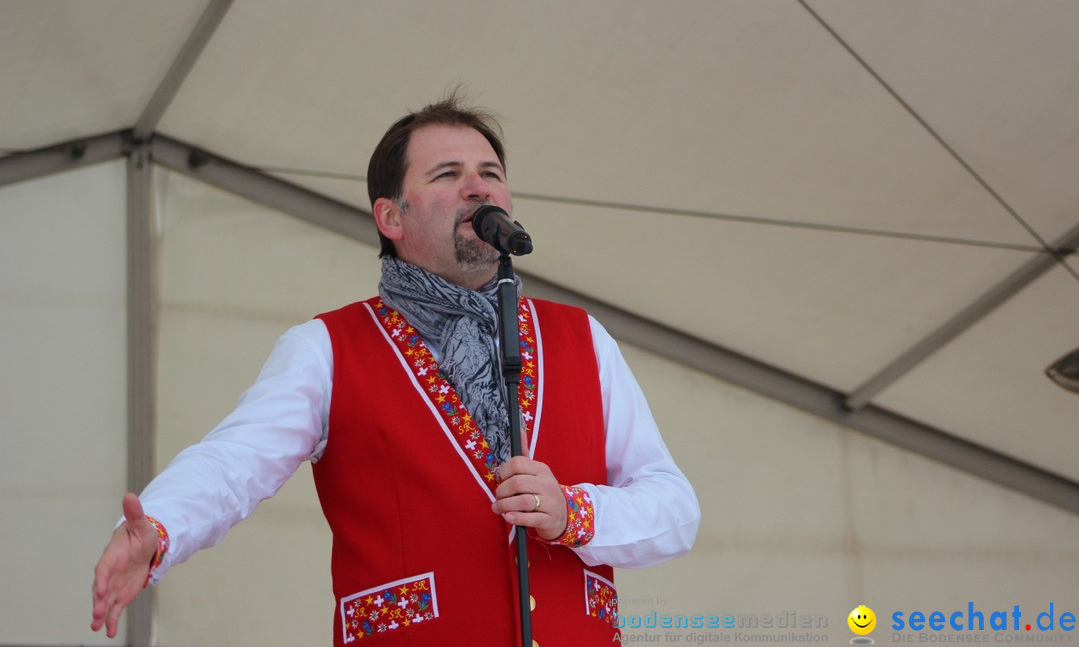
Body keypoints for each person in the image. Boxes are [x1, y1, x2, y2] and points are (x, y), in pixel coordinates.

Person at [91, 96, 700, 646]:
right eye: (448, 175)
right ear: (391, 217)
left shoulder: (581, 338)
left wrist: (575, 514)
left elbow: (674, 507)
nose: (478, 189)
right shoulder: (327, 348)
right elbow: (233, 463)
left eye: (491, 174)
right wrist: (159, 527)